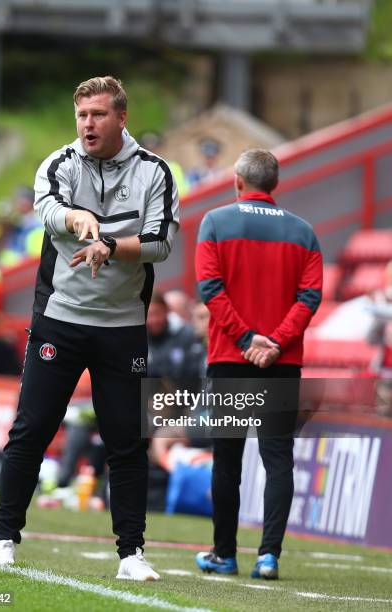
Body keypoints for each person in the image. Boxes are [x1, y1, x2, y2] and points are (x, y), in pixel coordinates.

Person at [0, 76, 179, 581]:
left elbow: (160, 243)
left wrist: (111, 246)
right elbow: (47, 207)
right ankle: (5, 540)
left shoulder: (154, 173)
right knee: (31, 429)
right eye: (82, 116)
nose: (88, 124)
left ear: (121, 118)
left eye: (98, 115)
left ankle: (131, 555)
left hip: (123, 323)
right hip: (60, 318)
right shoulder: (59, 163)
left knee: (127, 440)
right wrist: (76, 219)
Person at [194, 149, 322, 579]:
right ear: (275, 184)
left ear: (236, 181)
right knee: (278, 460)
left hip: (231, 358)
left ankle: (224, 554)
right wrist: (277, 343)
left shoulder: (214, 222)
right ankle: (268, 557)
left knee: (227, 461)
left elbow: (210, 289)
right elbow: (310, 298)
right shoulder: (304, 232)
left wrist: (248, 340)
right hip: (282, 363)